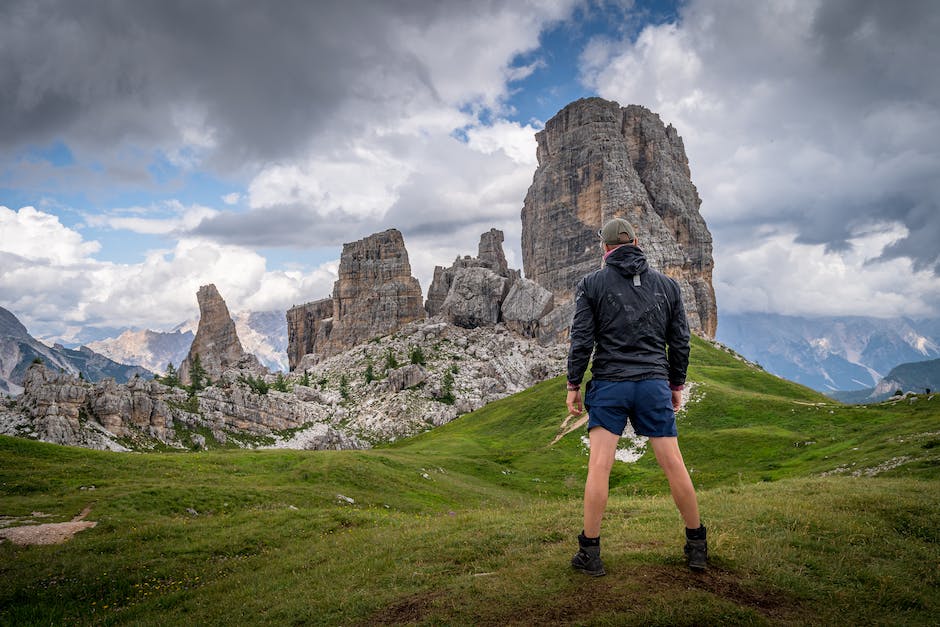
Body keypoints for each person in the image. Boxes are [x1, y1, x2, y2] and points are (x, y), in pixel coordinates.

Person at [566, 217, 706, 575]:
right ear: (637, 241)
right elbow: (681, 342)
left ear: (605, 248)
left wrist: (573, 386)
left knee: (600, 466)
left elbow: (581, 341)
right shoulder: (668, 286)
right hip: (653, 384)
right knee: (673, 463)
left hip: (610, 384)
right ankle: (697, 546)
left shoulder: (590, 284)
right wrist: (676, 385)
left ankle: (590, 554)